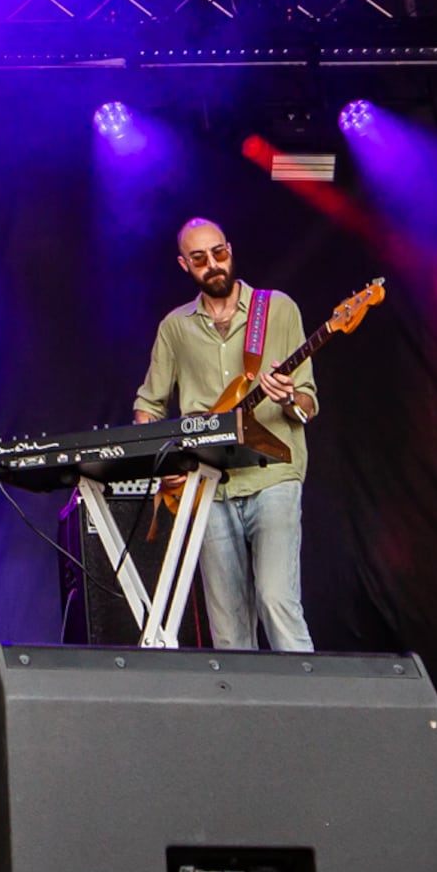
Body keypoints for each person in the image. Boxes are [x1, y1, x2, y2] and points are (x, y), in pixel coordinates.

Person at [133, 218, 319, 651]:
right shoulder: (175, 327)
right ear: (184, 265)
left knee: (277, 601)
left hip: (274, 475)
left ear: (230, 250)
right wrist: (162, 462)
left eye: (219, 253)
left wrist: (288, 397)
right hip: (208, 486)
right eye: (200, 259)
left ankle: (309, 695)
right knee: (229, 628)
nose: (213, 265)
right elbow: (149, 405)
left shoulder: (278, 309)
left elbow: (307, 403)